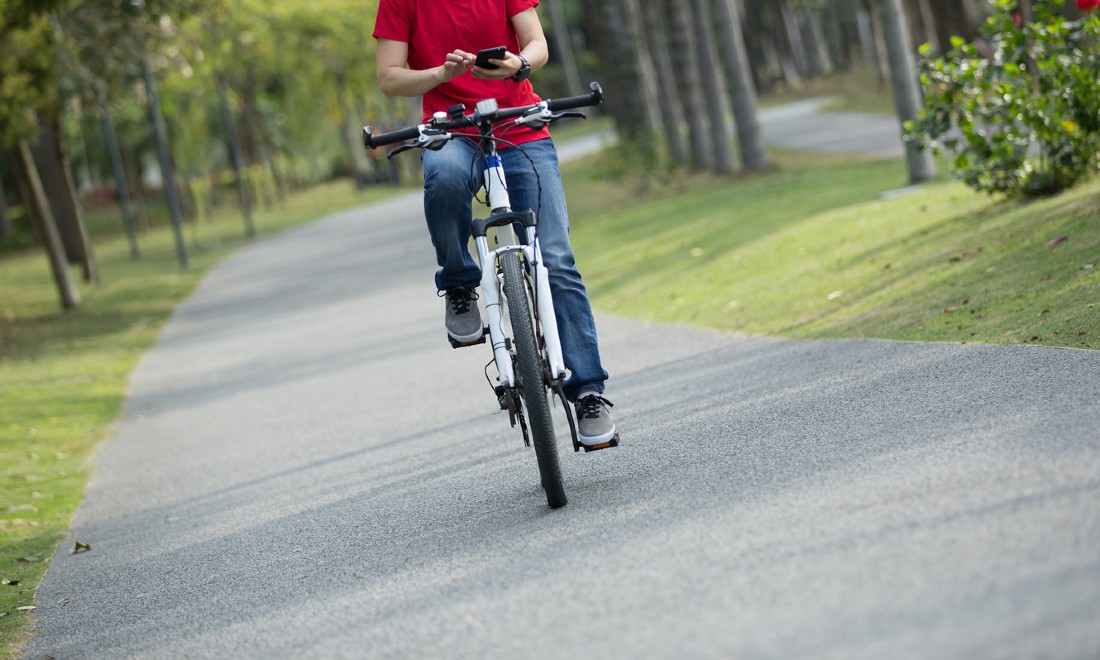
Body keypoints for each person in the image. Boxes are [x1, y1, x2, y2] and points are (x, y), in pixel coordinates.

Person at [372, 0, 617, 446]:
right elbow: (389, 76)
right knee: (443, 177)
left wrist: (517, 65)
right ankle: (460, 283)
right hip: (450, 129)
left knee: (556, 260)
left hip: (520, 124)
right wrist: (439, 76)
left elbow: (536, 44)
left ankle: (587, 393)